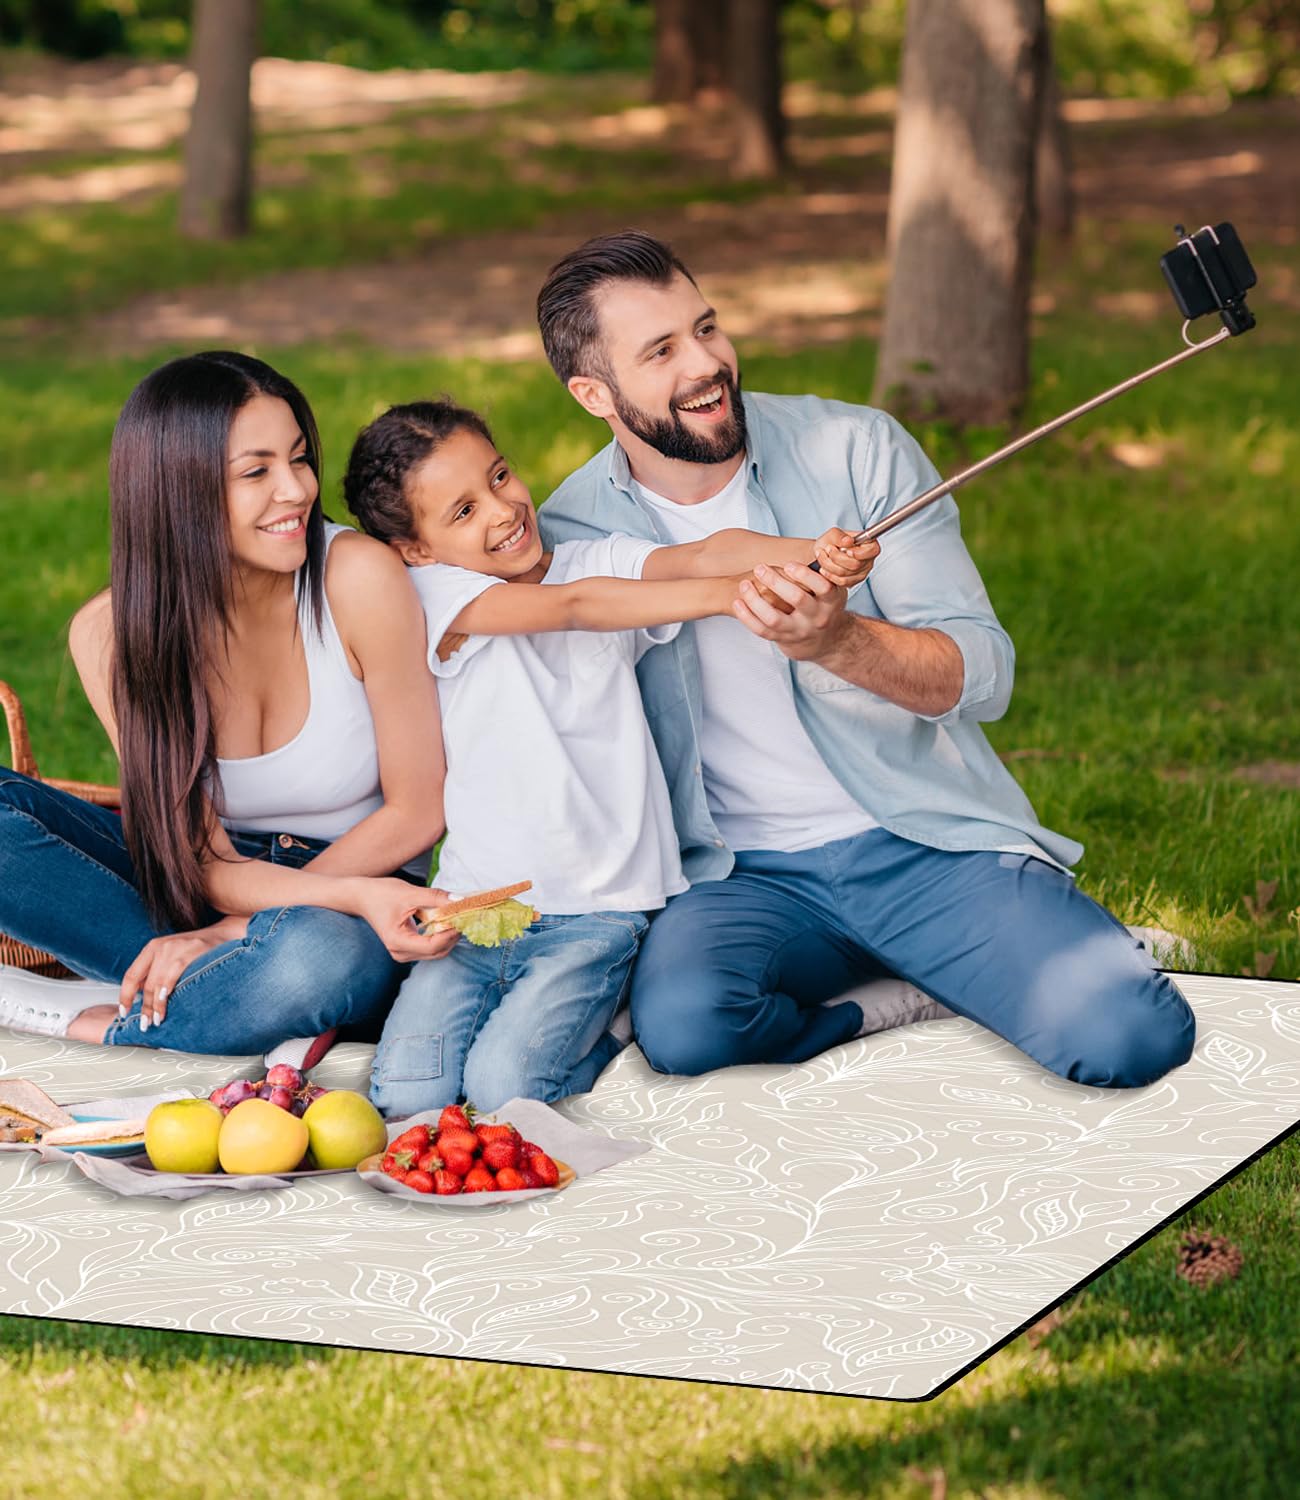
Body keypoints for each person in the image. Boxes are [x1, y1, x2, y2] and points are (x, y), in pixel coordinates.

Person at [532, 229, 1197, 1089]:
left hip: (920, 840)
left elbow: (981, 676)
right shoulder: (572, 534)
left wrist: (837, 641)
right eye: (660, 351)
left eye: (706, 327)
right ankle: (893, 999)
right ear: (593, 392)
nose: (705, 364)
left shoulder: (856, 450)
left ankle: (1024, 944)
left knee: (1131, 1040)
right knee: (688, 1031)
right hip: (742, 877)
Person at [341, 397, 883, 1116]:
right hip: (477, 907)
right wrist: (731, 598)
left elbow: (702, 554)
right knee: (405, 1098)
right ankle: (600, 1026)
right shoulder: (434, 595)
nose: (503, 511)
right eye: (463, 513)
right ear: (416, 549)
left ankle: (820, 1017)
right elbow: (575, 607)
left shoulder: (594, 560)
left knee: (506, 1091)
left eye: (500, 477)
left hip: (601, 907)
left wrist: (812, 551)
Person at [0, 351, 457, 1055]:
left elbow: (419, 810)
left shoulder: (357, 576)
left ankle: (95, 1017)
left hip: (357, 897)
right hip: (194, 889)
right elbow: (199, 859)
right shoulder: (111, 634)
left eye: (299, 459)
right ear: (178, 492)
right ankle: (215, 990)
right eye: (256, 472)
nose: (296, 490)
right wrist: (214, 921)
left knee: (312, 961)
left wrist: (235, 931)